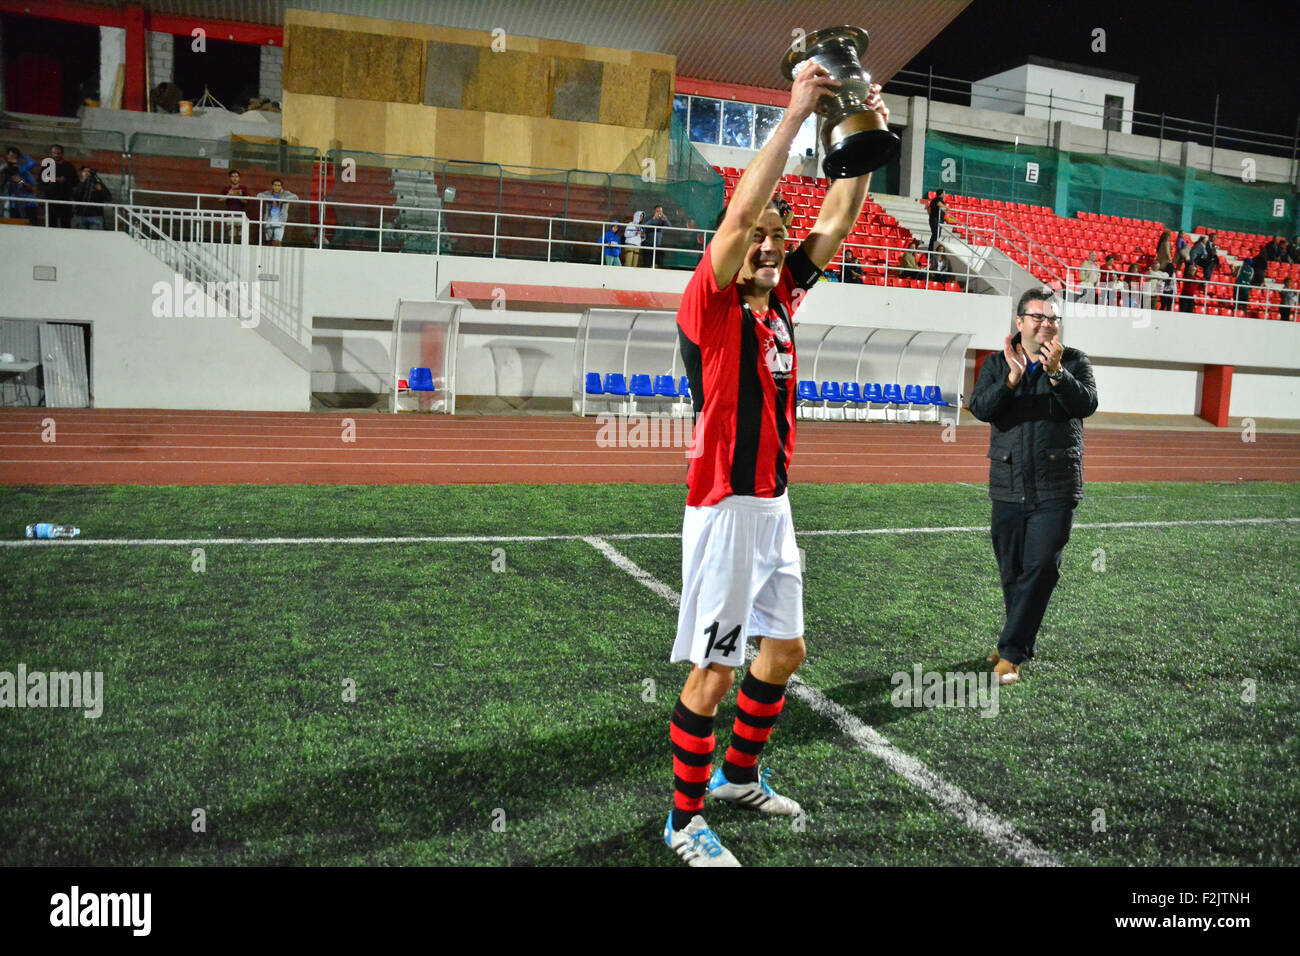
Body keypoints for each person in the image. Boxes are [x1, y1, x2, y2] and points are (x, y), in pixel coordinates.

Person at [665, 63, 886, 867]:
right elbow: (741, 216)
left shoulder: (783, 296)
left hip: (775, 507)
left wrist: (859, 130)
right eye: (756, 237)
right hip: (724, 509)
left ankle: (738, 776)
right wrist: (796, 113)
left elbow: (837, 214)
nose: (767, 245)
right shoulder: (711, 300)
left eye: (774, 239)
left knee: (785, 652)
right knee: (713, 675)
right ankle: (684, 821)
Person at [968, 287, 1098, 686]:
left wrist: (1058, 375)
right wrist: (1010, 380)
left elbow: (1086, 405)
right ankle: (1018, 640)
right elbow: (981, 409)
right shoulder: (995, 363)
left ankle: (1010, 653)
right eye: (1038, 317)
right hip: (1007, 483)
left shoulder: (1075, 361)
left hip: (1056, 486)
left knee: (1041, 569)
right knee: (1012, 570)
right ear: (1020, 322)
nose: (1046, 324)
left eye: (1053, 318)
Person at [255, 177, 298, 246]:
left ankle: (278, 256)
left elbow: (296, 197)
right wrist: (272, 199)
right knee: (269, 242)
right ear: (272, 186)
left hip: (280, 221)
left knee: (277, 242)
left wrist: (281, 200)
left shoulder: (285, 193)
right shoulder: (269, 193)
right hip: (268, 220)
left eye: (279, 185)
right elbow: (258, 195)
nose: (277, 187)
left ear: (281, 186)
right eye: (275, 185)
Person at [43, 144, 77, 227]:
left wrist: (65, 180)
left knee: (66, 224)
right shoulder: (47, 166)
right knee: (51, 224)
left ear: (62, 154)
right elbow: (42, 180)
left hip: (65, 199)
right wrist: (53, 179)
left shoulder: (69, 166)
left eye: (58, 153)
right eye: (54, 153)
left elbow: (75, 181)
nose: (56, 155)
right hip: (50, 199)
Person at [2, 146, 37, 222]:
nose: (13, 159)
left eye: (15, 157)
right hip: (11, 205)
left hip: (27, 204)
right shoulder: (3, 170)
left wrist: (21, 181)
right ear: (7, 157)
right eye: (11, 156)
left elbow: (33, 189)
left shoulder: (23, 171)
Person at [219, 169, 248, 242]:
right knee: (232, 236)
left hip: (241, 215)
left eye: (237, 176)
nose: (235, 178)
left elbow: (247, 201)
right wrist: (229, 195)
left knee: (242, 237)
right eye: (233, 176)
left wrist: (239, 196)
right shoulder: (226, 189)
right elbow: (219, 200)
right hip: (230, 215)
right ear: (229, 178)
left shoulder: (243, 189)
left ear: (239, 178)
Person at [645, 203, 671, 268]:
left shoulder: (663, 220)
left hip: (659, 244)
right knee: (648, 263)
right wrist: (653, 219)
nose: (659, 213)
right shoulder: (650, 218)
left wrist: (666, 220)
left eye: (661, 211)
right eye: (658, 211)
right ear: (654, 211)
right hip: (649, 244)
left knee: (659, 263)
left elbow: (670, 227)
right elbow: (644, 226)